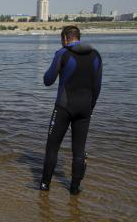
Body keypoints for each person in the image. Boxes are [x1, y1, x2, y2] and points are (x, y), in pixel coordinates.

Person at [40, 25, 102, 195]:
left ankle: (45, 186)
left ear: (65, 38)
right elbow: (97, 86)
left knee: (52, 148)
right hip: (85, 109)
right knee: (79, 150)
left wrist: (55, 65)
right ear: (78, 37)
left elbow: (48, 80)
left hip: (64, 107)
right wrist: (90, 107)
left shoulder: (62, 53)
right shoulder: (96, 55)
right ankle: (74, 189)